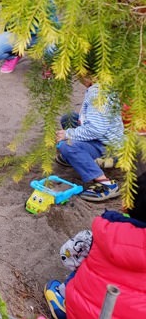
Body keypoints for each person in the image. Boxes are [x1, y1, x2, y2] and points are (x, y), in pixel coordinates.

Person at [44, 170, 146, 319]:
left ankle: (61, 298)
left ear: (126, 204)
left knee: (85, 259)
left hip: (78, 312)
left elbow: (67, 254)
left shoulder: (104, 230)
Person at [55, 70, 124, 202]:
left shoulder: (97, 93)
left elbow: (96, 129)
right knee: (69, 119)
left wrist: (69, 133)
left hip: (106, 146)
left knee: (67, 146)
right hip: (102, 136)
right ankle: (77, 158)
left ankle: (106, 184)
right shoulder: (102, 86)